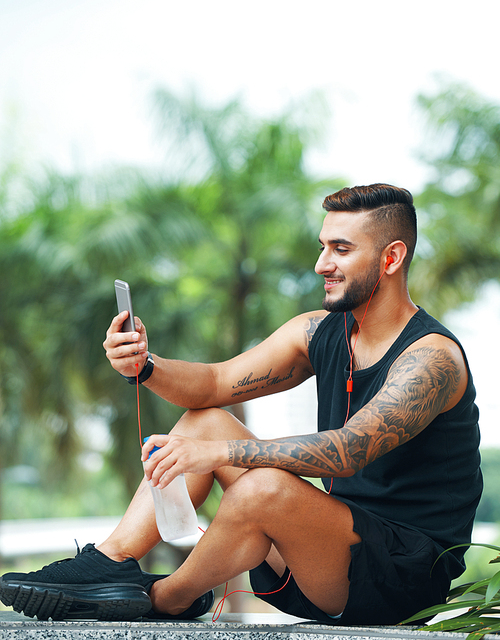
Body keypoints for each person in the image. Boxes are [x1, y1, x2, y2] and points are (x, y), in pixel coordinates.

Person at [0, 183, 482, 625]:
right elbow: (214, 383)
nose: (321, 264)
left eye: (341, 249)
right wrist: (145, 365)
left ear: (392, 257)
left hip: (403, 576)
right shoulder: (319, 331)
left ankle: (166, 598)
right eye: (322, 246)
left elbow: (349, 449)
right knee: (206, 423)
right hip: (323, 547)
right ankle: (111, 563)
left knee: (262, 487)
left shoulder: (432, 360)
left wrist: (223, 456)